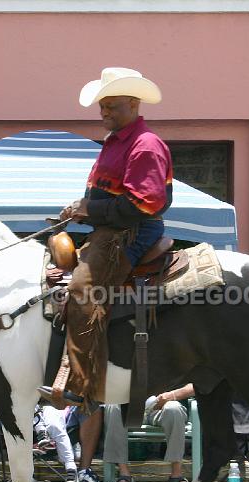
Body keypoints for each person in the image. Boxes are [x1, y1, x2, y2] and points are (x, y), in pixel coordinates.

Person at [38, 67, 172, 409]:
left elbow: (146, 202)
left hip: (131, 234)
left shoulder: (145, 146)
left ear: (132, 103)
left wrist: (89, 211)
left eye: (111, 105)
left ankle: (80, 386)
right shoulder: (117, 142)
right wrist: (81, 207)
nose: (103, 112)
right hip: (109, 232)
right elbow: (106, 195)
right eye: (102, 105)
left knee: (83, 289)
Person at [103, 384, 193, 482]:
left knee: (174, 409)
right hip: (132, 408)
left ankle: (176, 477)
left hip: (163, 406)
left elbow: (195, 386)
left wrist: (172, 395)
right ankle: (124, 477)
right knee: (114, 404)